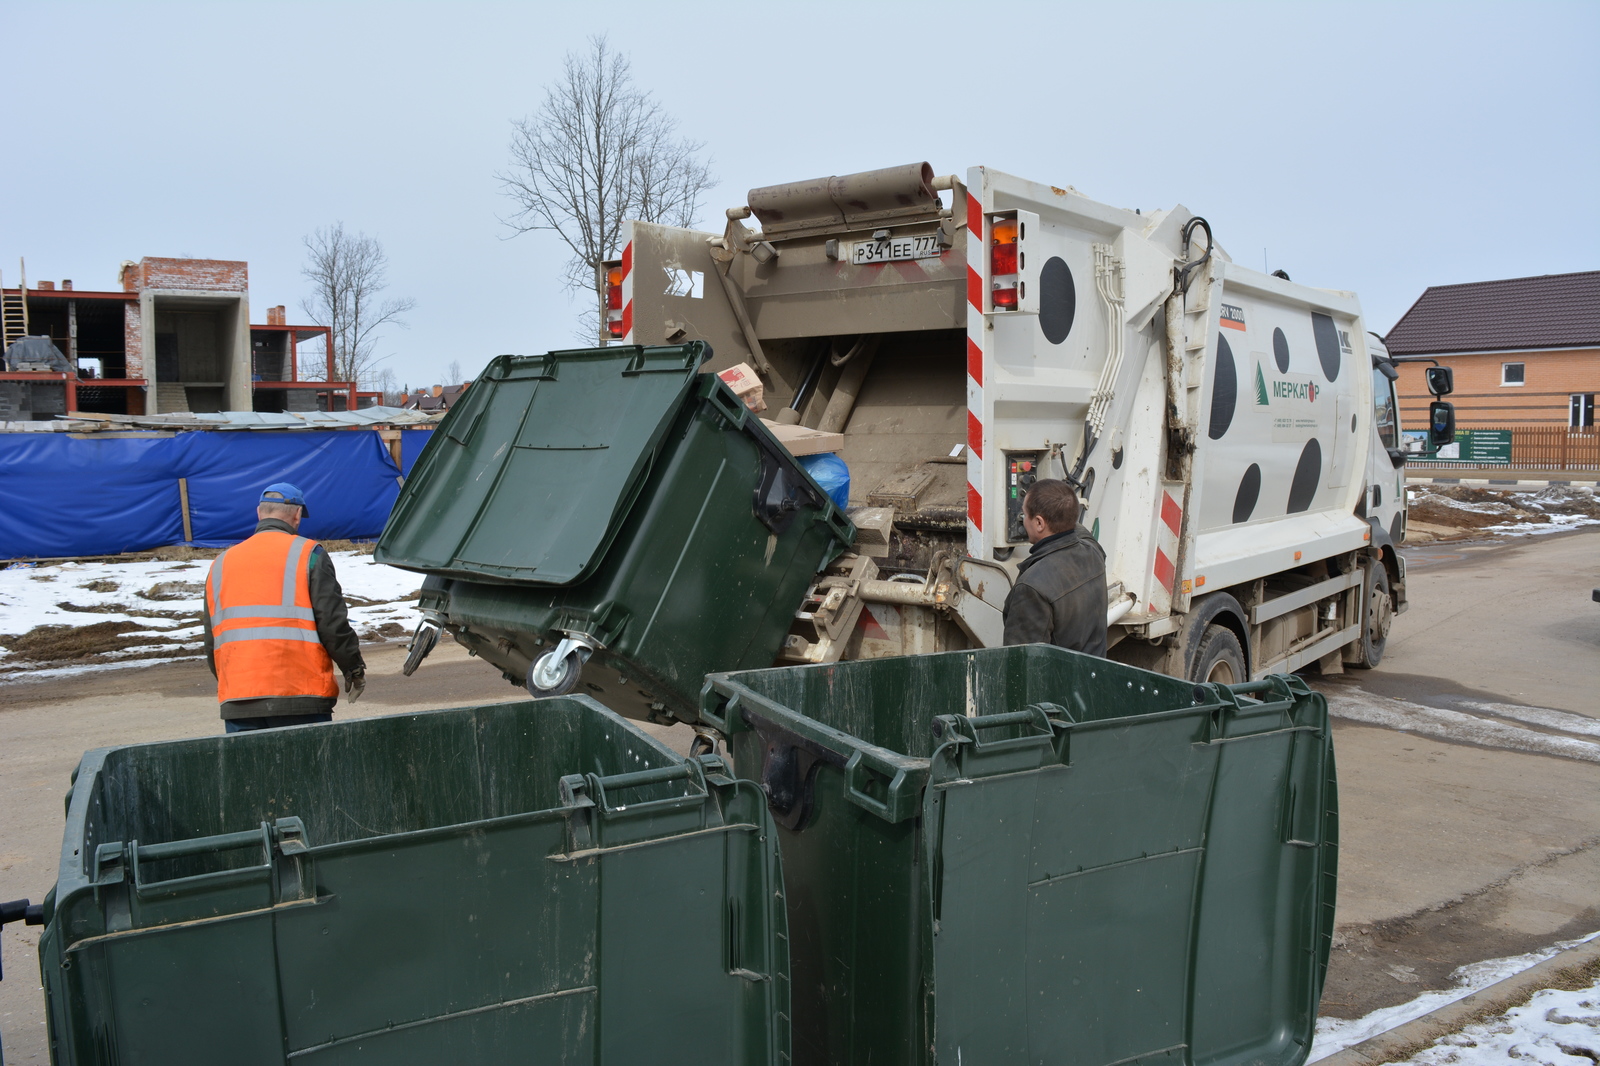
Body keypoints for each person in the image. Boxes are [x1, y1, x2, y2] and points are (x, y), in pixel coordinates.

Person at [201, 482, 366, 732]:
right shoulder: (308, 554)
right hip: (299, 694)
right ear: (297, 515)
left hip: (239, 699)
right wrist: (352, 667)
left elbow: (212, 638)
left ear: (259, 513)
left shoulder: (221, 563)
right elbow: (332, 622)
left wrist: (235, 684)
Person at [1001, 478, 1109, 656]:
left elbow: (1022, 664)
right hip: (1093, 676)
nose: (1022, 521)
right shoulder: (1093, 552)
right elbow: (1076, 529)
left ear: (1039, 523)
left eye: (1024, 515)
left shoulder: (1032, 588)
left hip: (1059, 683)